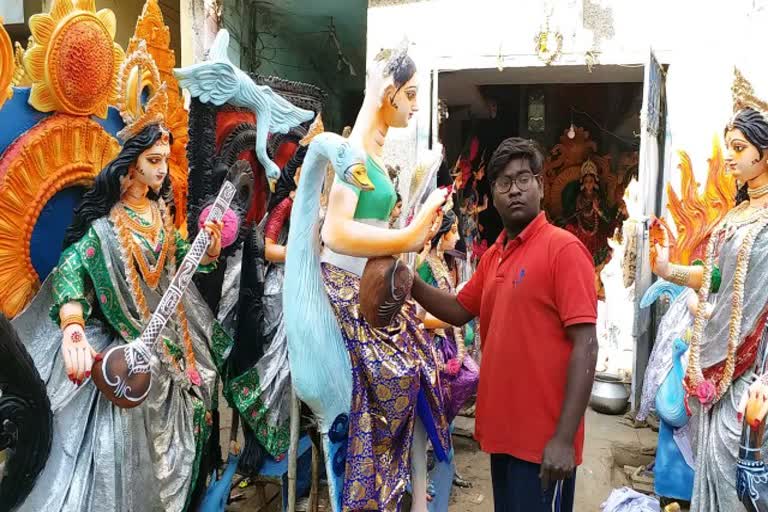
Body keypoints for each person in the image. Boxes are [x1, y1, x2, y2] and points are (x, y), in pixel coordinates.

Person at [411, 137, 598, 511]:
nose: (514, 190)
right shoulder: (495, 255)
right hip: (503, 437)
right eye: (503, 183)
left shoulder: (563, 250)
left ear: (541, 187)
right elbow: (459, 310)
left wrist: (563, 439)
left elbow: (587, 345)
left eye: (524, 179)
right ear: (492, 196)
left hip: (545, 446)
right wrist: (409, 284)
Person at [652, 100, 768, 510]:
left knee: (739, 469)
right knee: (712, 473)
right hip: (717, 367)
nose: (730, 157)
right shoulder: (737, 215)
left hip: (754, 372)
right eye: (729, 148)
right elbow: (714, 277)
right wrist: (669, 270)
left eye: (739, 148)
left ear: (763, 152)